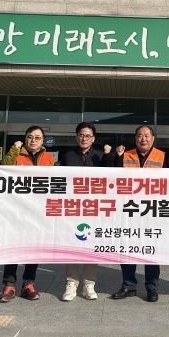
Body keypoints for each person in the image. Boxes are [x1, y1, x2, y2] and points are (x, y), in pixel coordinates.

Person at [0, 125, 55, 303]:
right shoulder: (17, 154)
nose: (33, 140)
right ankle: (9, 285)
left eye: (37, 137)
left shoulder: (48, 158)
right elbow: (4, 169)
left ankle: (28, 284)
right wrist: (14, 150)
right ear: (25, 139)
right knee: (13, 245)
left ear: (43, 141)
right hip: (16, 209)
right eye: (30, 137)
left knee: (34, 247)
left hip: (38, 210)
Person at [59, 122, 115, 301]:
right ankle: (71, 284)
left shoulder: (100, 155)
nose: (84, 138)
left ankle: (89, 285)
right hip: (73, 207)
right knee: (71, 245)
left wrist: (109, 155)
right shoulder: (67, 155)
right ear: (77, 137)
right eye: (81, 135)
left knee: (91, 246)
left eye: (88, 136)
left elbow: (111, 176)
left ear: (93, 138)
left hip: (94, 208)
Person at [111, 125, 165, 302]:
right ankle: (129, 285)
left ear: (153, 138)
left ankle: (152, 288)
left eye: (147, 135)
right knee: (127, 247)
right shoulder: (126, 155)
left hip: (152, 210)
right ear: (135, 139)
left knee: (151, 250)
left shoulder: (163, 156)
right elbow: (112, 177)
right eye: (140, 135)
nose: (143, 139)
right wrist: (116, 156)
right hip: (129, 209)